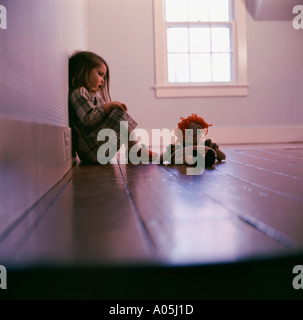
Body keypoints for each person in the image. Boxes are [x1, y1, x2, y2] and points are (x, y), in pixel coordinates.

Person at [68, 50, 158, 164]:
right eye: (100, 74)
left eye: (104, 77)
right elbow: (89, 119)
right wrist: (107, 107)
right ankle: (135, 150)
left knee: (119, 114)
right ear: (84, 71)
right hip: (89, 149)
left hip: (95, 147)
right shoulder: (79, 92)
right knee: (118, 113)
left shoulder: (92, 96)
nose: (102, 80)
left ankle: (135, 150)